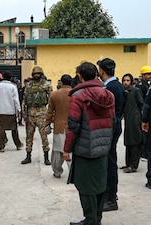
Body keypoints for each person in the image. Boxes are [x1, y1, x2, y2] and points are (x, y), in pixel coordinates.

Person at [63, 62, 115, 225]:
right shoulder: (108, 95)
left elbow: (73, 126)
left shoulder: (78, 96)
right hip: (103, 147)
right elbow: (113, 121)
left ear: (79, 76)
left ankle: (90, 220)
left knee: (85, 186)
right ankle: (96, 218)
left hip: (84, 148)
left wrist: (66, 149)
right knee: (99, 184)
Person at [97, 57, 124, 212]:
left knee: (109, 163)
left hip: (111, 127)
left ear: (102, 70)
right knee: (109, 161)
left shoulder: (111, 87)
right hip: (114, 124)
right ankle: (109, 195)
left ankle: (111, 197)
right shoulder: (116, 85)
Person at [21, 66, 53, 165]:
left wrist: (51, 114)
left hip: (42, 113)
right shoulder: (29, 85)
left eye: (38, 74)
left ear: (41, 74)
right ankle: (28, 155)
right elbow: (25, 98)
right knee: (29, 136)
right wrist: (23, 111)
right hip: (30, 113)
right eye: (35, 74)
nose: (36, 75)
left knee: (44, 136)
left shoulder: (47, 85)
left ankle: (46, 156)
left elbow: (51, 100)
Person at [44, 74, 72, 178]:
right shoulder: (75, 94)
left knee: (57, 150)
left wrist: (47, 124)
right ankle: (72, 172)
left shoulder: (54, 95)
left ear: (61, 82)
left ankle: (57, 171)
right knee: (70, 150)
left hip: (58, 126)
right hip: (72, 126)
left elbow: (50, 112)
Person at [0, 71, 23, 152]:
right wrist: (18, 111)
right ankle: (18, 145)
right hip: (11, 112)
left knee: (0, 130)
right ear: (10, 78)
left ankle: (1, 146)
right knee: (14, 130)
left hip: (0, 111)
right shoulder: (13, 87)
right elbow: (16, 100)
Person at [120, 73, 143, 173]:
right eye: (124, 80)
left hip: (135, 119)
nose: (125, 82)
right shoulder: (124, 92)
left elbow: (141, 104)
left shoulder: (136, 91)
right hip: (128, 120)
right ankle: (128, 163)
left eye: (128, 80)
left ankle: (133, 165)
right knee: (128, 141)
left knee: (134, 141)